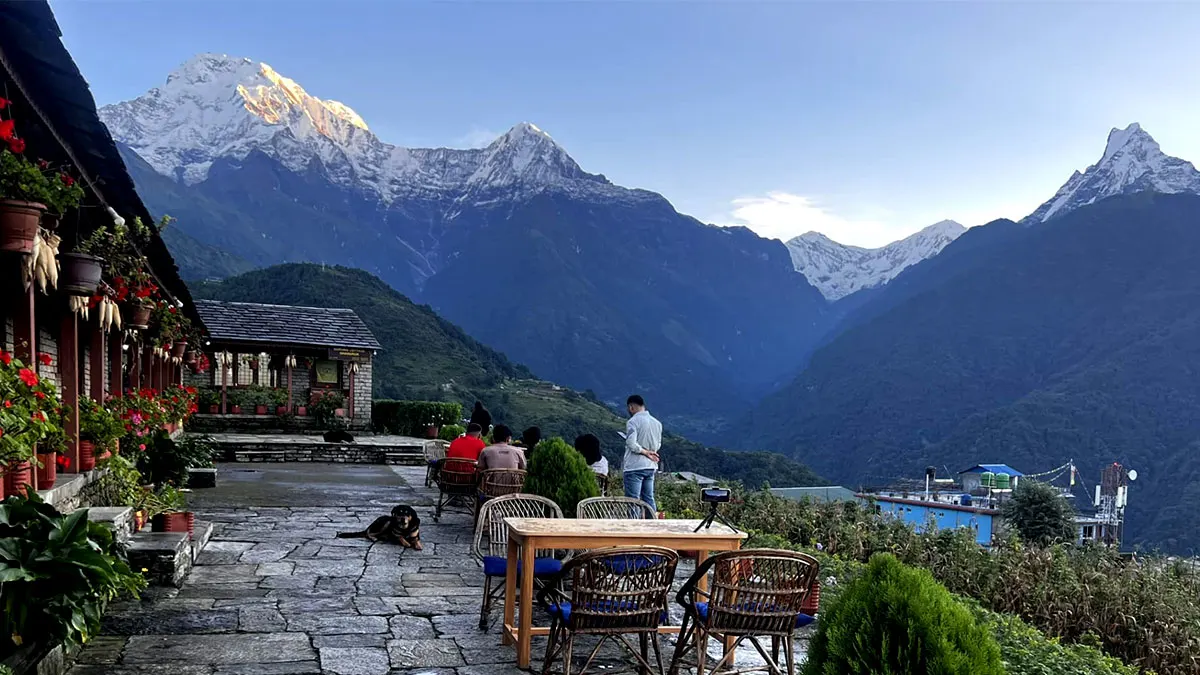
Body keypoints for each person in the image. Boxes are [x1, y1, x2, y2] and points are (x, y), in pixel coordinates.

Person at [622, 394, 662, 512]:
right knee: (649, 499)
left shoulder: (633, 422)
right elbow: (658, 445)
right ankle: (653, 525)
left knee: (633, 501)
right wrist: (650, 452)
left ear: (631, 407)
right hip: (650, 466)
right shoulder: (657, 423)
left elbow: (631, 443)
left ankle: (634, 527)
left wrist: (644, 451)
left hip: (634, 467)